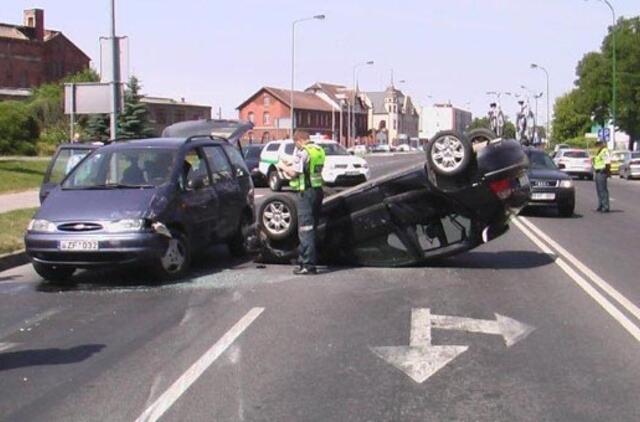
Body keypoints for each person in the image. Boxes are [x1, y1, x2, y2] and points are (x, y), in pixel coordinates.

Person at [277, 130, 326, 275]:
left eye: (295, 144)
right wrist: (291, 162)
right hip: (317, 191)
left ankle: (308, 265)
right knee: (312, 228)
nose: (296, 147)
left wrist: (282, 166)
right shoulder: (318, 150)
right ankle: (306, 260)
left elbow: (294, 173)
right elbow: (307, 167)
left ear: (299, 140)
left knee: (305, 229)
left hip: (306, 193)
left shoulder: (302, 151)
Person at [593, 138, 611, 213]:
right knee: (599, 190)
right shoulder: (599, 151)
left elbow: (607, 163)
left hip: (602, 172)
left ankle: (605, 206)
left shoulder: (604, 151)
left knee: (603, 190)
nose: (597, 145)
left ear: (603, 144)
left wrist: (607, 172)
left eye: (599, 144)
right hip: (597, 172)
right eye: (597, 144)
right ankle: (600, 205)